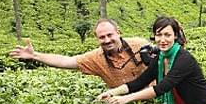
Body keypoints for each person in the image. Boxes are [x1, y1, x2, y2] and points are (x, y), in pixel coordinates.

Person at [9, 18, 151, 88]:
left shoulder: (139, 44)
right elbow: (66, 61)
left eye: (110, 35)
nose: (107, 40)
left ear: (118, 33)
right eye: (102, 37)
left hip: (155, 100)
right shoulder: (96, 58)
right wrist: (35, 56)